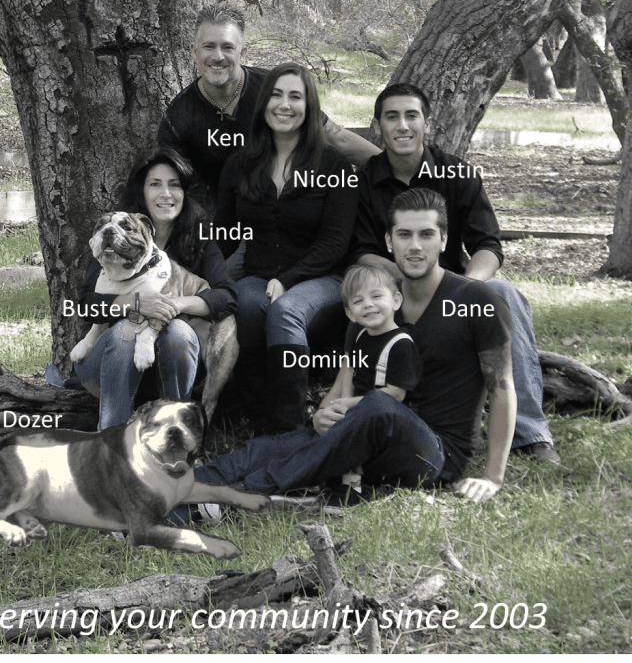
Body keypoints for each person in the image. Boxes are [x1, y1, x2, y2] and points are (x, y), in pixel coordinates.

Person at [189, 189, 516, 503]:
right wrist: (322, 414)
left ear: (444, 239)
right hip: (362, 435)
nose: (415, 246)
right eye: (404, 235)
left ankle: (246, 491)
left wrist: (492, 477)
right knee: (270, 447)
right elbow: (349, 374)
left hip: (431, 453)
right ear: (389, 241)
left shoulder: (477, 300)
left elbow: (501, 388)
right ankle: (182, 486)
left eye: (426, 235)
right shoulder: (377, 302)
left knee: (377, 406)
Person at [350, 82, 559, 464]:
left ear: (427, 123)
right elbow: (362, 251)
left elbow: (488, 246)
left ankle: (531, 434)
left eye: (412, 116)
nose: (402, 126)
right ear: (377, 126)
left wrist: (466, 287)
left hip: (459, 288)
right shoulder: (361, 180)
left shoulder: (459, 174)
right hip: (395, 289)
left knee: (505, 294)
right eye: (391, 117)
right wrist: (410, 280)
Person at [215, 62, 359, 431]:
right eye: (276, 95)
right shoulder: (240, 164)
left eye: (296, 96)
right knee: (245, 302)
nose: (285, 104)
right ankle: (255, 413)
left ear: (309, 107)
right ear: (263, 104)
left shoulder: (334, 164)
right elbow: (224, 234)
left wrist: (291, 278)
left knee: (286, 309)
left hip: (322, 277)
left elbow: (336, 242)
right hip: (258, 274)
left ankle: (290, 426)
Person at [73, 148, 237, 430]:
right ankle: (112, 440)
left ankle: (177, 435)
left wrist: (175, 303)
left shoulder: (199, 240)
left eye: (174, 185)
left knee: (180, 332)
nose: (166, 194)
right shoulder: (114, 237)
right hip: (109, 367)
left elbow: (227, 297)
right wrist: (135, 302)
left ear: (185, 193)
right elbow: (86, 304)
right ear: (141, 192)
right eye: (155, 184)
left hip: (170, 369)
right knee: (126, 331)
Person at [157, 4, 380, 203]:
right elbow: (179, 191)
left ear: (242, 52)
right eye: (208, 47)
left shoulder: (274, 89)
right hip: (225, 226)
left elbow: (337, 138)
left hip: (292, 211)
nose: (218, 56)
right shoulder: (178, 118)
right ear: (194, 52)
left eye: (228, 47)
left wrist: (393, 169)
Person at [332, 262, 421, 492]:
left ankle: (352, 485)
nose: (368, 304)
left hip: (389, 416)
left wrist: (350, 405)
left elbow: (396, 394)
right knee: (334, 428)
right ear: (350, 313)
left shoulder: (401, 345)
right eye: (358, 301)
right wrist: (343, 405)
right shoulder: (361, 336)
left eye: (376, 296)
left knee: (353, 438)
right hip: (361, 408)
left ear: (396, 301)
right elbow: (350, 371)